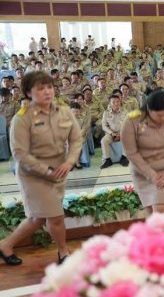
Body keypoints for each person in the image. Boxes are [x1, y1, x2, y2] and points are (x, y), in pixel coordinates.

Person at [0, 72, 82, 266]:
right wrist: (47, 172)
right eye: (40, 88)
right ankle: (63, 252)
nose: (47, 92)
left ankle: (4, 245)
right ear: (29, 93)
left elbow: (76, 138)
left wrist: (69, 162)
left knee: (37, 218)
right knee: (55, 216)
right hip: (34, 175)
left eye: (49, 87)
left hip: (59, 171)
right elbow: (20, 154)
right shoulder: (22, 118)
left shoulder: (64, 110)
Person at [121, 90, 164, 217]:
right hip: (143, 171)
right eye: (159, 115)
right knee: (152, 213)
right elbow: (131, 153)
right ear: (148, 109)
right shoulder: (132, 121)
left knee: (160, 210)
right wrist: (151, 175)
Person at [100, 94, 129, 168]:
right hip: (111, 133)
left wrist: (120, 134)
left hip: (123, 133)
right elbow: (104, 126)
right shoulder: (106, 113)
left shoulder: (125, 112)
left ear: (120, 102)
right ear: (110, 103)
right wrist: (111, 133)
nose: (116, 103)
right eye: (113, 102)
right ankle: (108, 160)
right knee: (103, 141)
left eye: (118, 101)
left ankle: (124, 158)